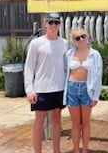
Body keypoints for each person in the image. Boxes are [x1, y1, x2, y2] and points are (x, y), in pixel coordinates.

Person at [24, 13, 68, 153]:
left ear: (59, 25)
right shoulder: (36, 43)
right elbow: (29, 67)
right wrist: (29, 90)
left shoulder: (64, 43)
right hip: (41, 88)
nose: (53, 25)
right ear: (45, 23)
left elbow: (67, 66)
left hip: (59, 87)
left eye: (56, 22)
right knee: (39, 121)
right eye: (51, 22)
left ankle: (56, 150)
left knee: (57, 119)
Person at [63, 28, 103, 153]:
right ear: (73, 41)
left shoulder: (95, 54)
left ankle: (84, 150)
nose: (81, 39)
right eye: (77, 38)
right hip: (72, 88)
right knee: (75, 123)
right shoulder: (69, 54)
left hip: (87, 89)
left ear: (87, 36)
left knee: (85, 123)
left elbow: (98, 75)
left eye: (83, 36)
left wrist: (95, 96)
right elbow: (64, 72)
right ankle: (76, 150)